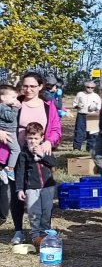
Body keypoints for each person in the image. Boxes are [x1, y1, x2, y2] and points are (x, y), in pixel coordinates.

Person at [0, 72, 61, 245]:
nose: (28, 89)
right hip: (15, 153)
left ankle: (43, 231)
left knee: (42, 192)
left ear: (40, 87)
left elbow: (56, 128)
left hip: (39, 154)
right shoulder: (14, 102)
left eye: (33, 86)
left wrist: (49, 141)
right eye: (25, 86)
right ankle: (18, 230)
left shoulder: (48, 106)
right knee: (16, 191)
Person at [13, 122, 57, 246]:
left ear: (42, 138)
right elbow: (20, 173)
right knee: (34, 212)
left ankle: (45, 234)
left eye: (36, 138)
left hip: (48, 187)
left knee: (46, 211)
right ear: (25, 138)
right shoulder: (23, 154)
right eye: (30, 138)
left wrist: (42, 155)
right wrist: (20, 189)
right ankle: (35, 236)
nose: (33, 141)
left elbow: (53, 163)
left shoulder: (46, 150)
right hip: (32, 188)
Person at [0, 85, 21, 184]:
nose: (15, 100)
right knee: (16, 150)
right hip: (8, 132)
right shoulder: (3, 107)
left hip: (8, 131)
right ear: (3, 97)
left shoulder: (5, 106)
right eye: (13, 97)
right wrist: (16, 108)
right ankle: (9, 170)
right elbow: (11, 117)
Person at [72, 80, 101, 151]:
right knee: (79, 131)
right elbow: (74, 104)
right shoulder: (80, 94)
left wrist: (95, 108)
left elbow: (99, 107)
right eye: (88, 87)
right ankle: (76, 147)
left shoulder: (96, 96)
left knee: (92, 133)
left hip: (93, 115)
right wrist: (78, 106)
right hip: (81, 114)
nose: (90, 89)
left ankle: (91, 148)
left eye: (92, 87)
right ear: (85, 87)